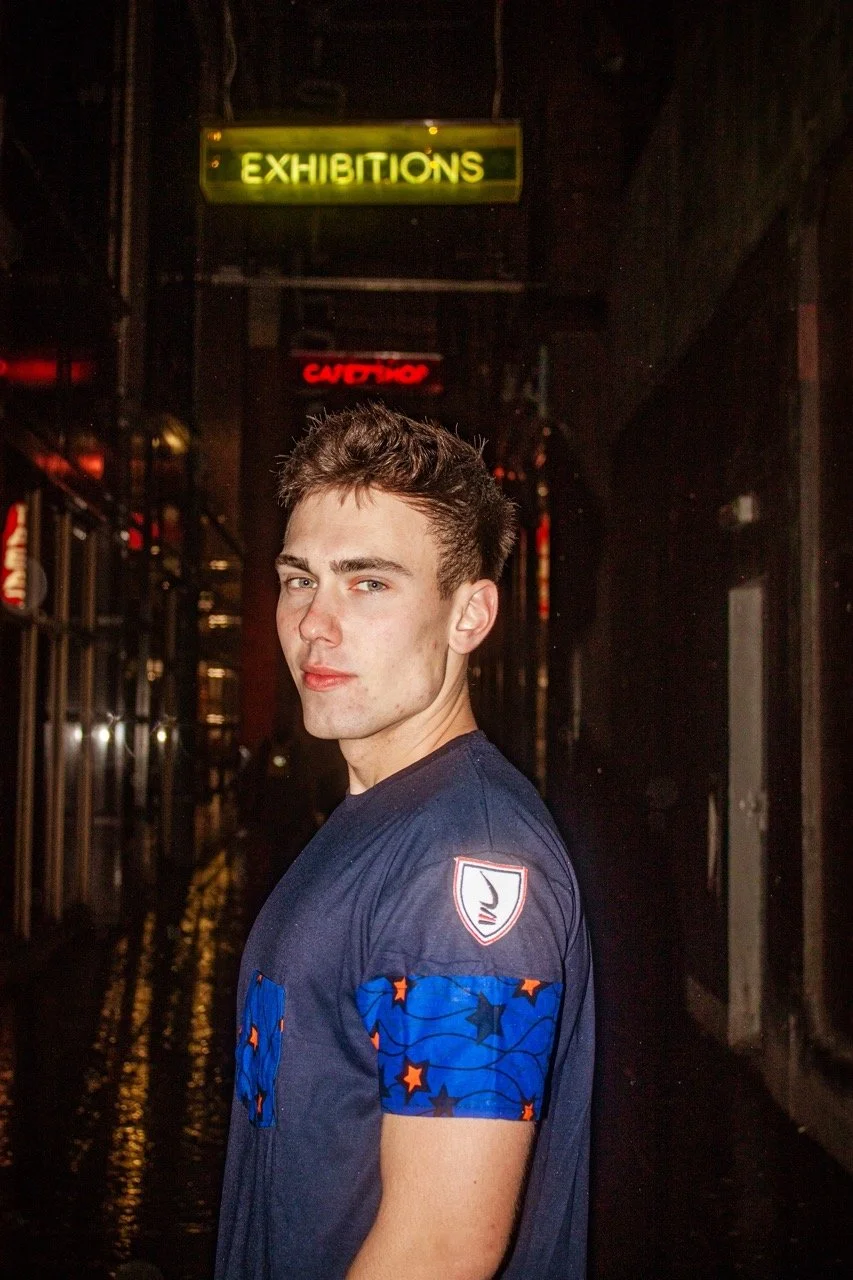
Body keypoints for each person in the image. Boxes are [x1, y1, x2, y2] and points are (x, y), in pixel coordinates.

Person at [215, 403, 594, 1280]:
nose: (314, 622)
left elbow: (442, 1249)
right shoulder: (379, 816)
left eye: (369, 582)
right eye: (299, 577)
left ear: (469, 616)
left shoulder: (463, 864)